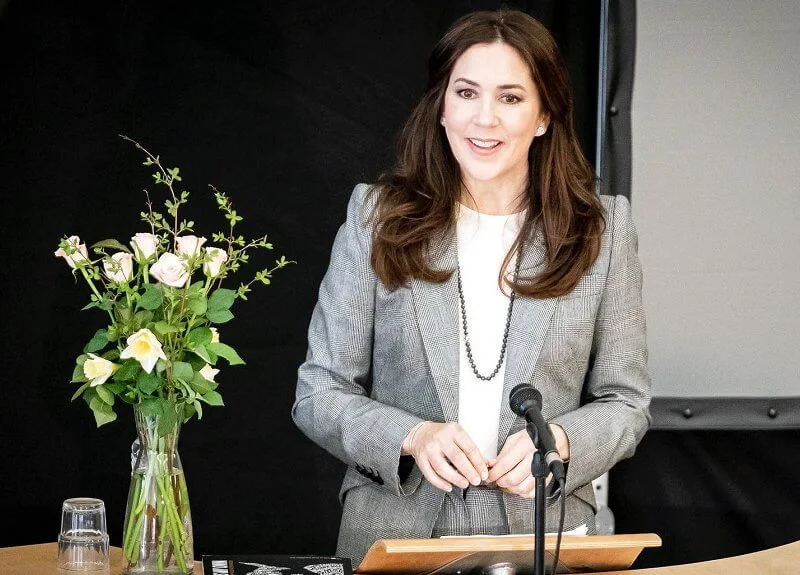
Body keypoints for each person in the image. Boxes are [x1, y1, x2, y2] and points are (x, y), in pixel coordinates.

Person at [292, 9, 651, 567]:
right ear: (441, 106)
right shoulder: (377, 218)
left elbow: (626, 402)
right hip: (396, 531)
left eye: (510, 98)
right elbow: (318, 392)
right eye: (466, 93)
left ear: (544, 115)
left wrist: (558, 440)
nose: (484, 119)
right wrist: (412, 436)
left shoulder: (602, 230)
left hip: (548, 532)